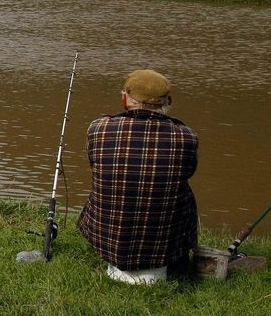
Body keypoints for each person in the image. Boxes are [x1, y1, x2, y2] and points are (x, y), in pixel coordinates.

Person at [76, 69, 198, 285]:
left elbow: (93, 163)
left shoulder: (98, 129)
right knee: (185, 190)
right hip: (164, 243)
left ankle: (116, 253)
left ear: (125, 98)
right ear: (169, 101)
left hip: (107, 238)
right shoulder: (186, 136)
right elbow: (189, 171)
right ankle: (171, 258)